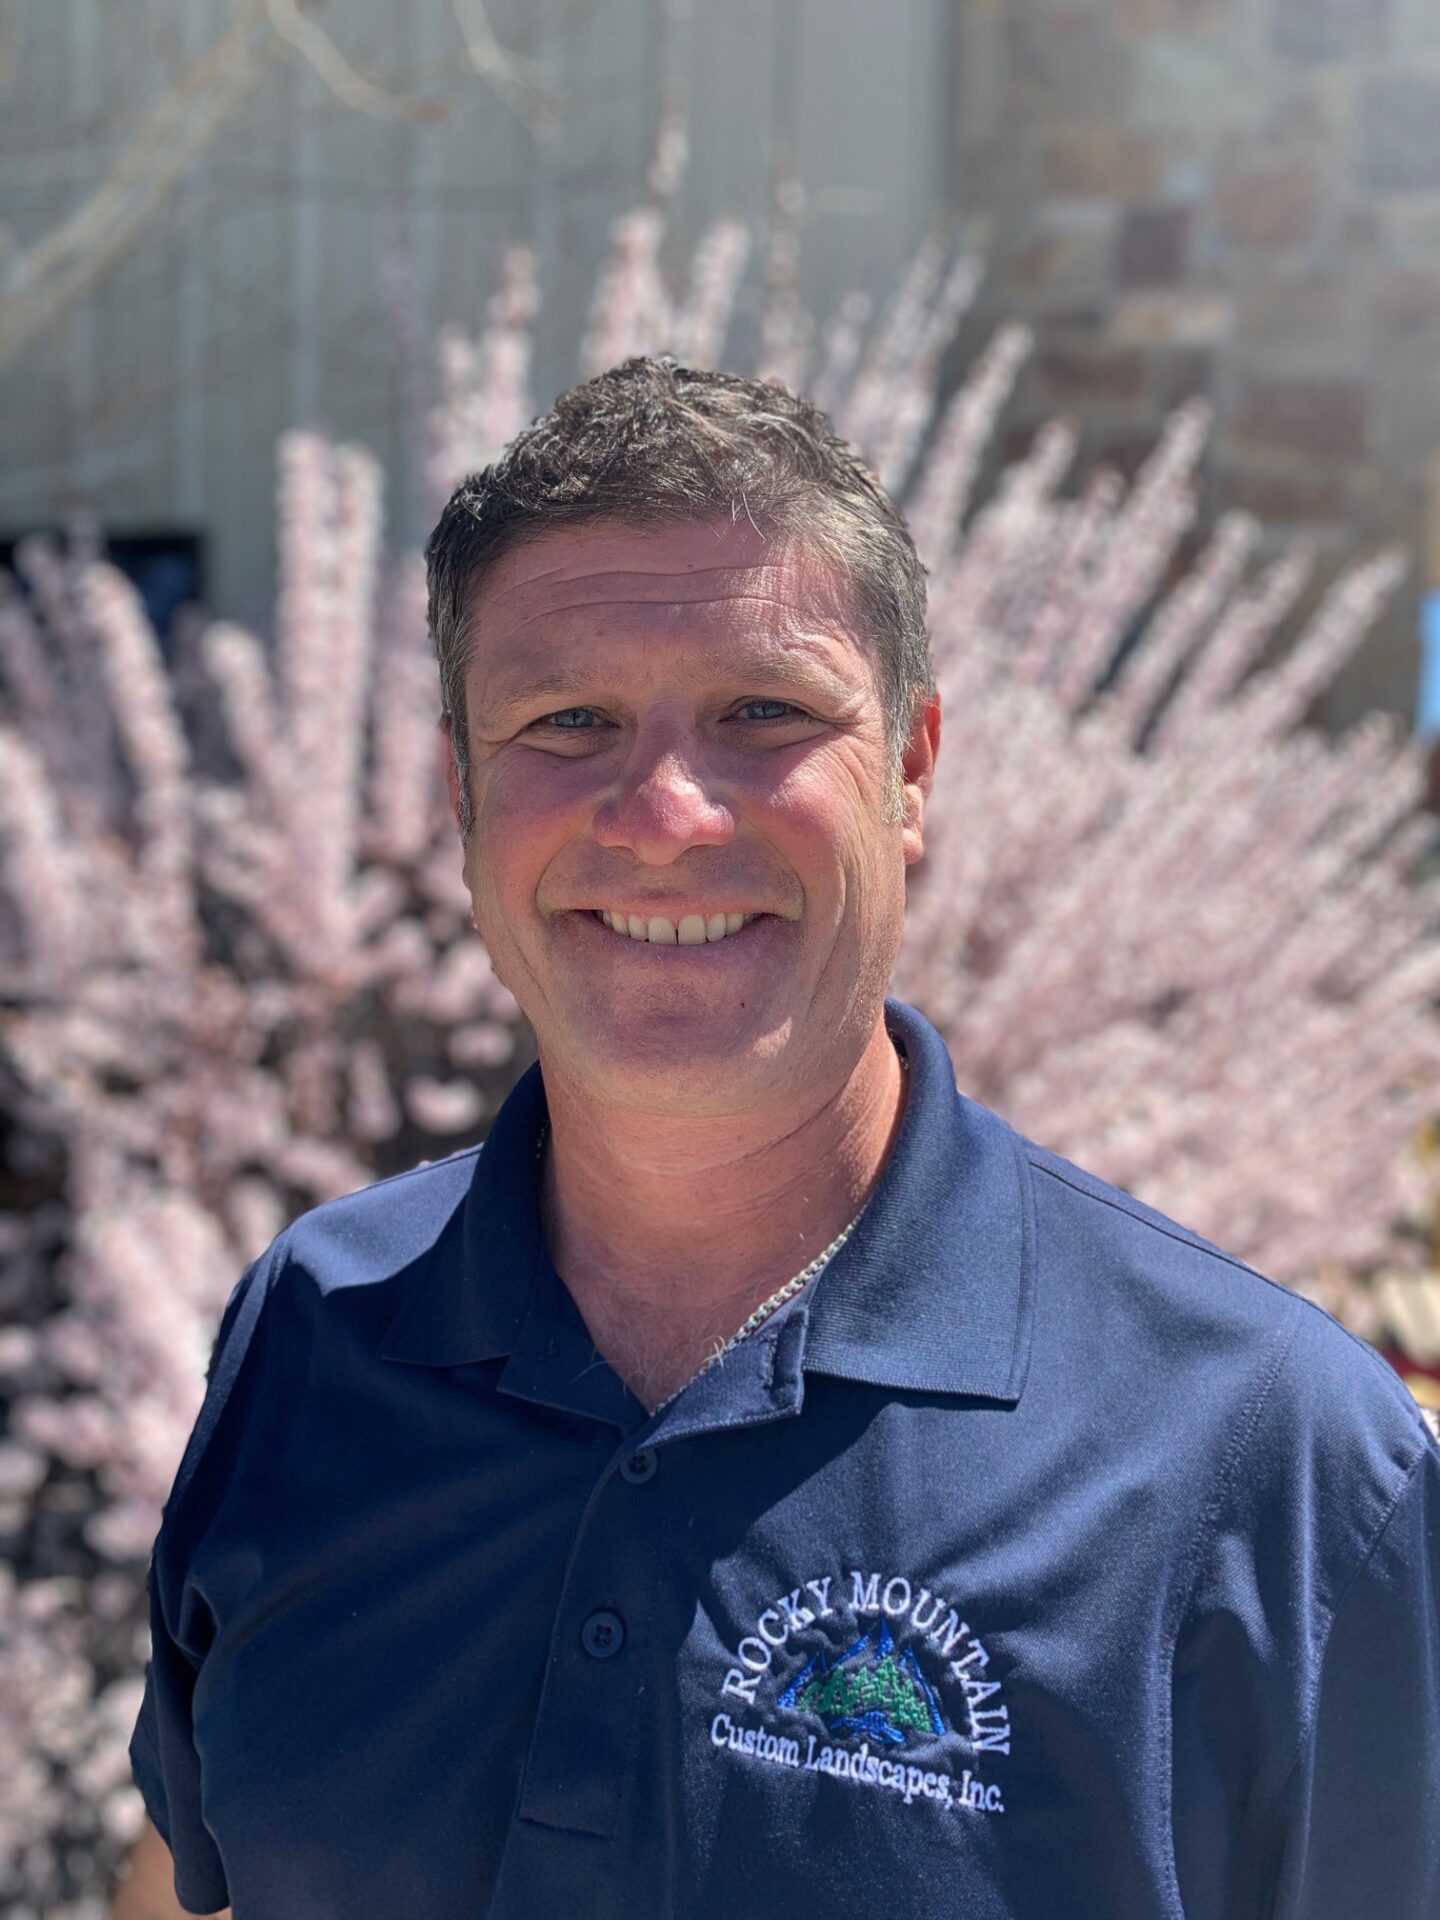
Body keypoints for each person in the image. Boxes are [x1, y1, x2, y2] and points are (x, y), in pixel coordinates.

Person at [123, 355, 1440, 1919]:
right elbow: (194, 1892)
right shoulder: (315, 1325)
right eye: (566, 720)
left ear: (912, 773)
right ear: (460, 791)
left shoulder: (1276, 1463)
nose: (666, 810)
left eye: (765, 712)